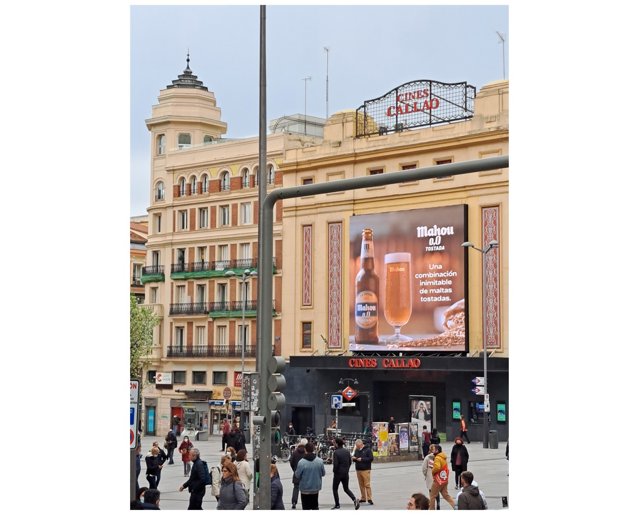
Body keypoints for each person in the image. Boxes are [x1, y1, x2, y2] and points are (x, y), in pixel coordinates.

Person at [294, 441, 326, 510]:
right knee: (315, 506)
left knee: (306, 507)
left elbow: (297, 475)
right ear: (313, 449)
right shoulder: (320, 461)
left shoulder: (301, 462)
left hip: (305, 489)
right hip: (315, 488)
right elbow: (323, 473)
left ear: (305, 450)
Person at [331, 437, 360, 510]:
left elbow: (336, 465)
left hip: (338, 474)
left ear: (337, 444)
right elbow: (350, 462)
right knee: (346, 488)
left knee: (335, 489)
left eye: (334, 443)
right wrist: (346, 469)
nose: (333, 444)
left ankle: (337, 504)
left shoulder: (336, 452)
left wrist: (334, 471)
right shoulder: (347, 451)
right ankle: (354, 499)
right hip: (345, 473)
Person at [428, 445, 456, 510]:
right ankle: (456, 507)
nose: (432, 450)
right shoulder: (443, 457)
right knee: (446, 495)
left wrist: (432, 471)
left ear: (437, 450)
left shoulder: (437, 458)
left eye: (433, 449)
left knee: (432, 496)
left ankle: (431, 509)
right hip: (444, 480)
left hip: (438, 480)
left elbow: (437, 467)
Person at [353, 438, 374, 505]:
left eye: (358, 446)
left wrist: (362, 459)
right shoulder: (356, 450)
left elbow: (371, 458)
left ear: (361, 444)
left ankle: (369, 498)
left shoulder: (368, 450)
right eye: (356, 446)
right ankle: (363, 498)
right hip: (358, 469)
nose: (357, 447)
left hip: (365, 469)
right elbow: (355, 457)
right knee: (361, 485)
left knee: (367, 484)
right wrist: (354, 458)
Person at [290, 438, 307, 509]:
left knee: (296, 488)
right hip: (305, 473)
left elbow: (291, 462)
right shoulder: (306, 452)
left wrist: (294, 469)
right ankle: (305, 503)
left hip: (296, 472)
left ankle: (294, 502)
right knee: (305, 489)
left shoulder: (295, 452)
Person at [422, 444, 440, 510]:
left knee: (431, 493)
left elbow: (424, 468)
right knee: (437, 491)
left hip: (430, 478)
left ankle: (432, 508)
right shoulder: (439, 457)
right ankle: (438, 503)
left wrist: (426, 475)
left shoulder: (427, 457)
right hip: (438, 477)